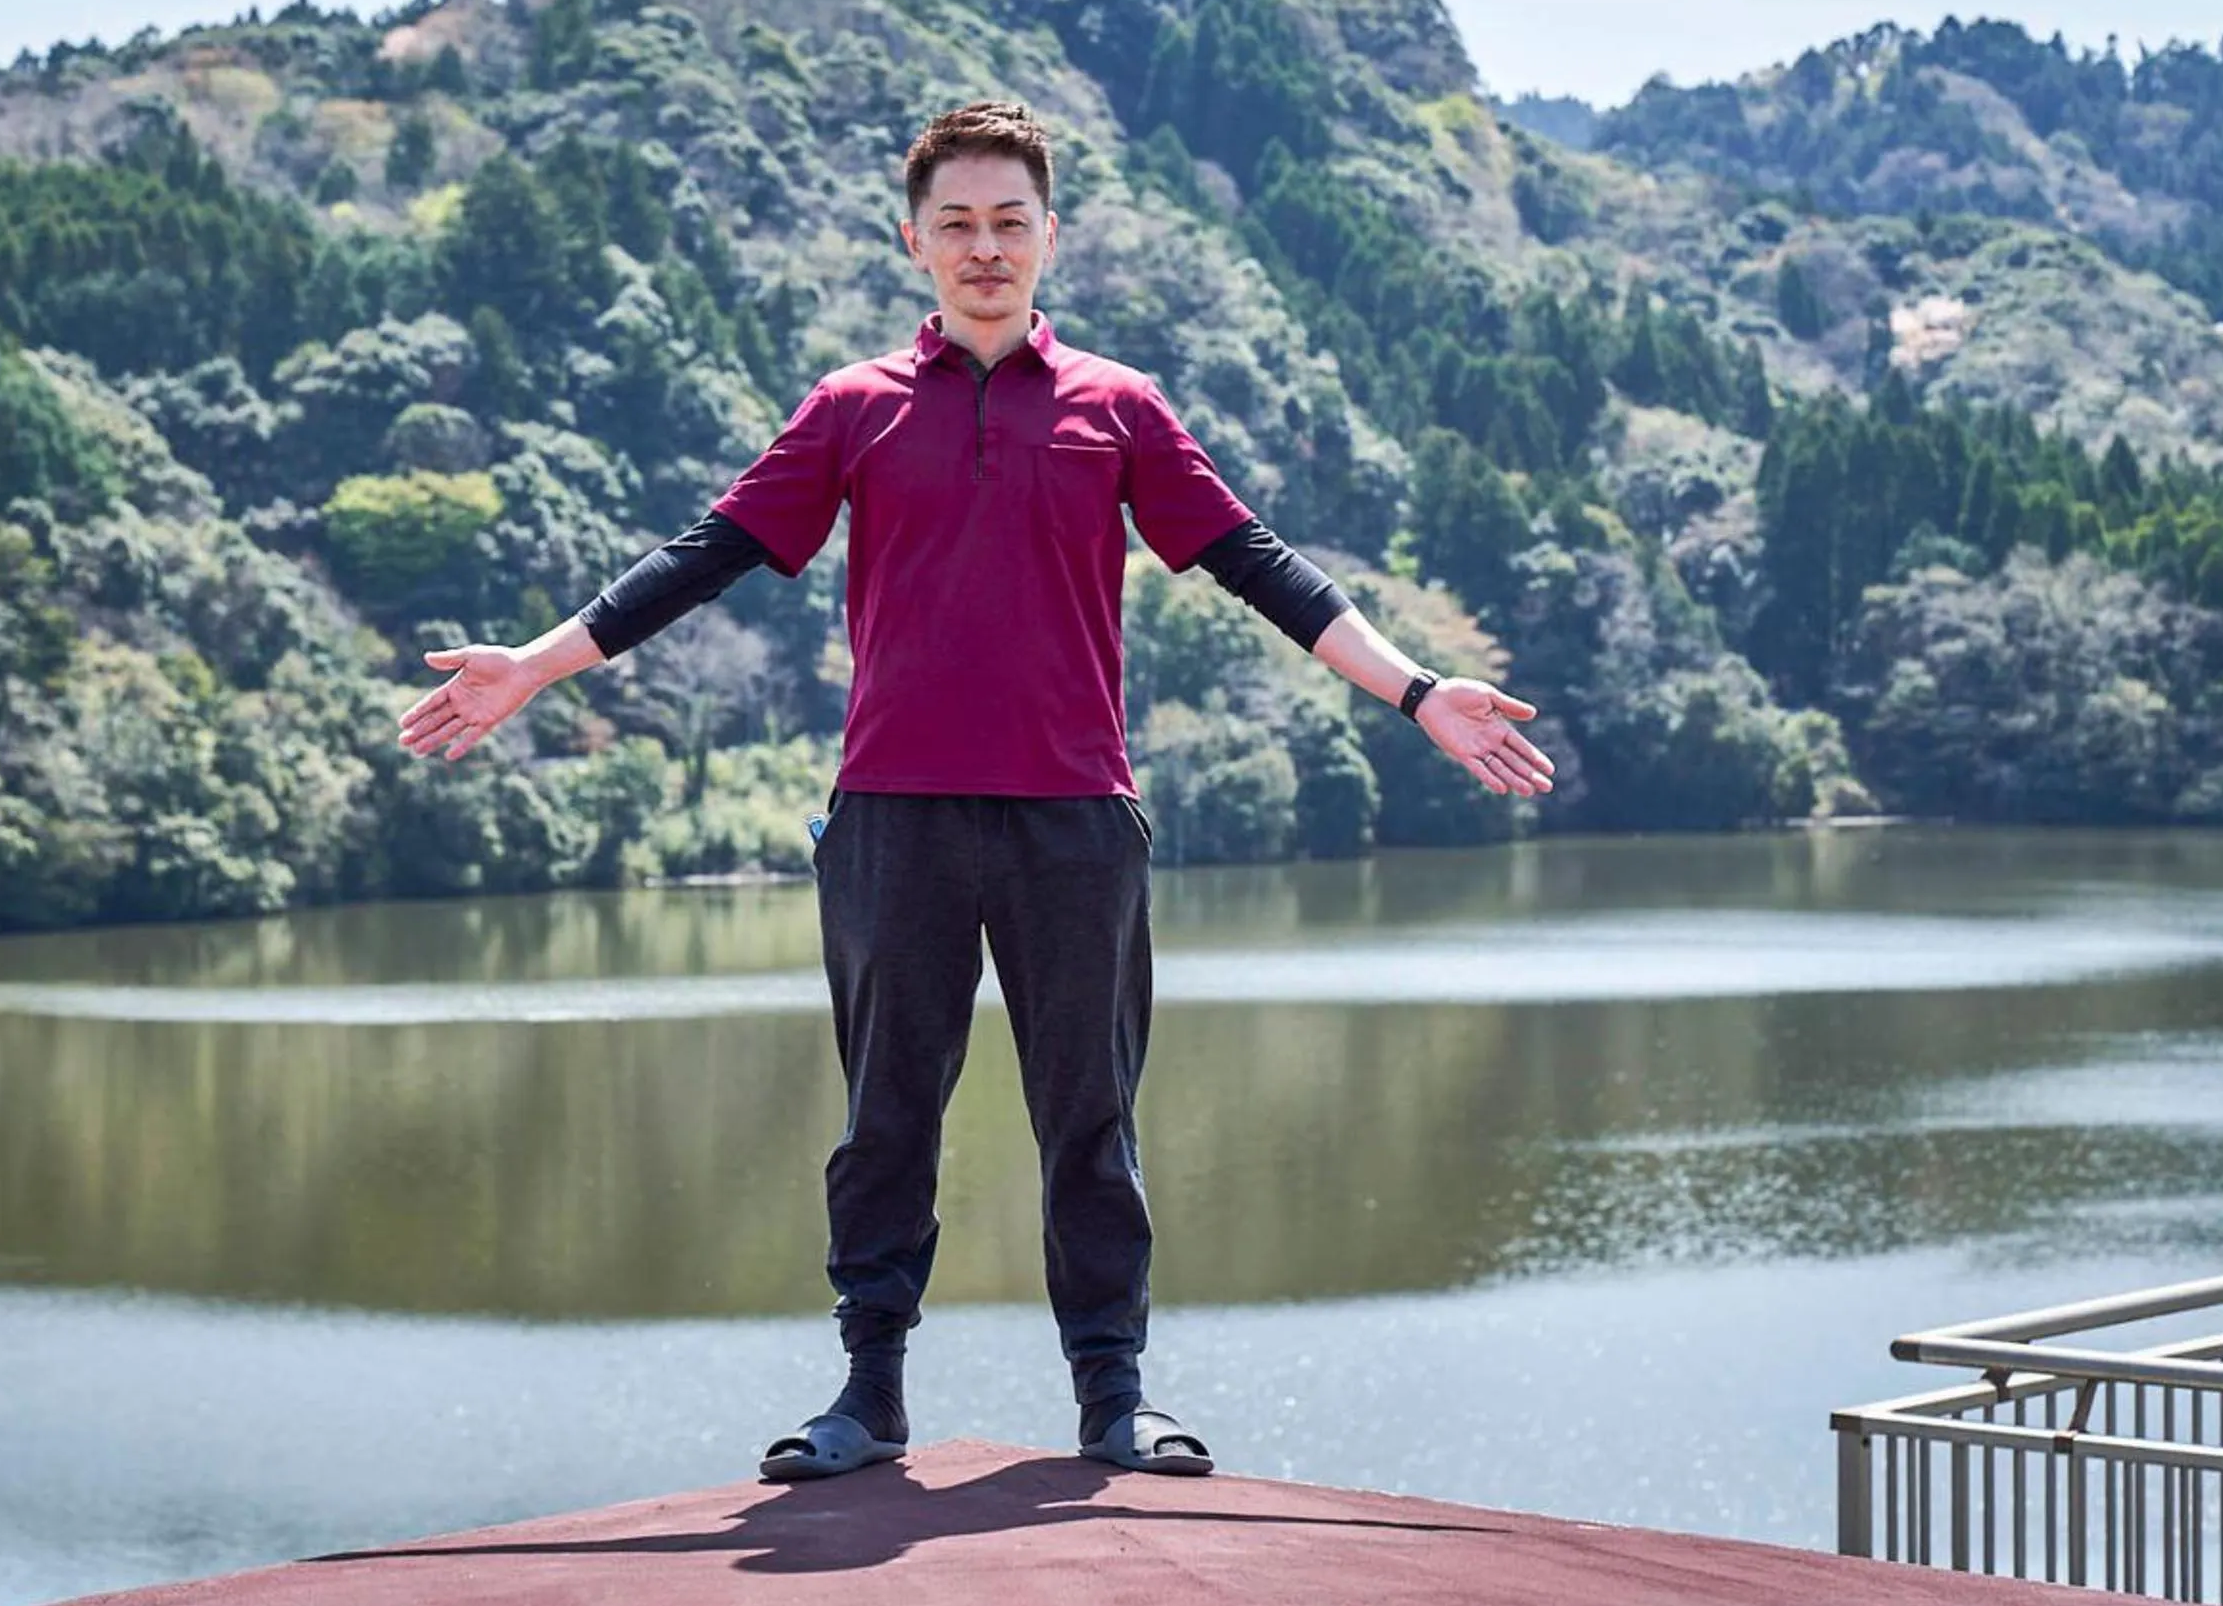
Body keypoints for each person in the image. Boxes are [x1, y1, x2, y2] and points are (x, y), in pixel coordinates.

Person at [399, 99, 1554, 1482]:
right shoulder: (852, 411)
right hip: (895, 816)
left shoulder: (1118, 409)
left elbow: (1261, 564)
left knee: (1091, 1120)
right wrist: (533, 666)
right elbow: (706, 550)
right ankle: (868, 1395)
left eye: (1011, 221)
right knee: (887, 1117)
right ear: (915, 242)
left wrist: (1421, 692)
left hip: (1075, 819)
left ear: (1050, 237)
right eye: (958, 222)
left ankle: (1113, 1398)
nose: (986, 246)